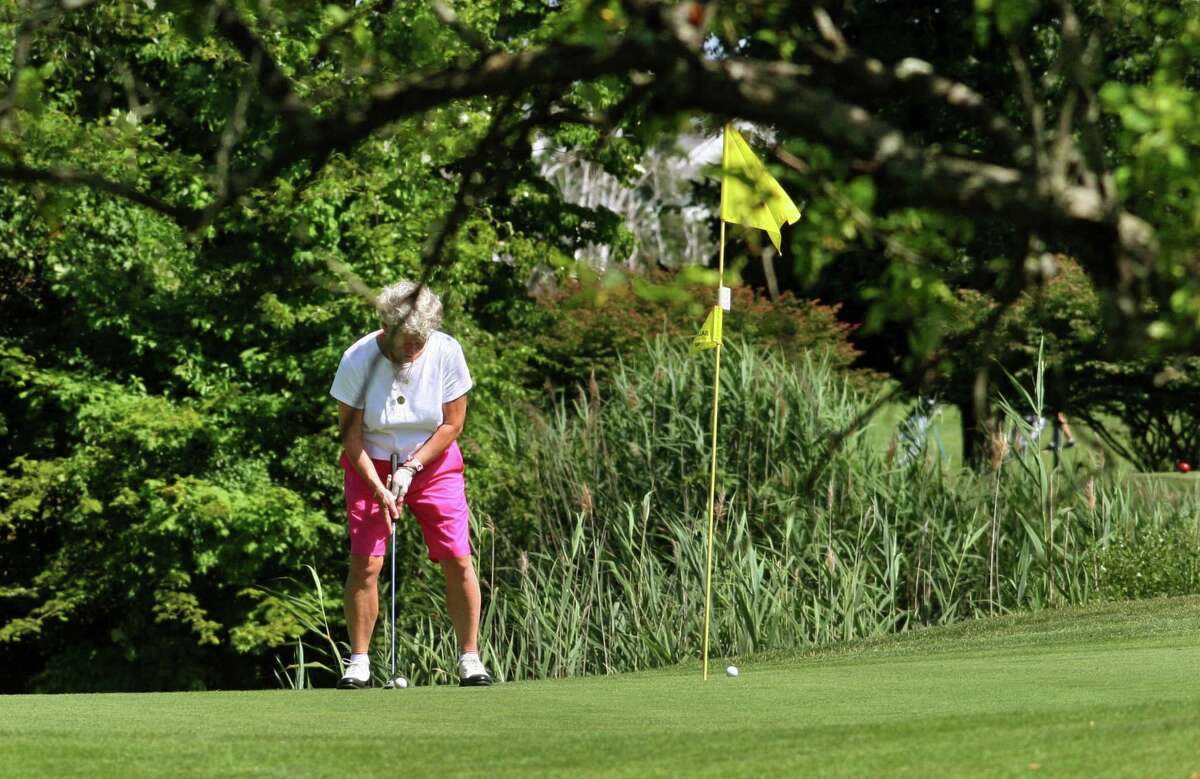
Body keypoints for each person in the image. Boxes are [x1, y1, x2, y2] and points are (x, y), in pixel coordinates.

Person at [329, 280, 492, 688]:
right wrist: (380, 485)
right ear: (386, 327)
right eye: (407, 339)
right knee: (366, 563)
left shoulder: (446, 350)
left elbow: (452, 423)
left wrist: (411, 469)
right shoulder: (358, 359)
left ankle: (470, 657)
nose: (414, 349)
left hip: (433, 464)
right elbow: (349, 437)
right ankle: (359, 663)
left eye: (420, 339)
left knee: (457, 558)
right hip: (369, 462)